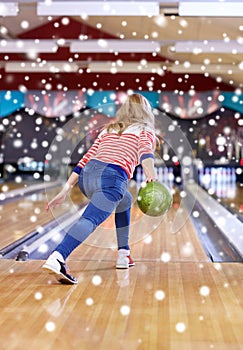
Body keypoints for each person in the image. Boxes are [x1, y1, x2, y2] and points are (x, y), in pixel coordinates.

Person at [43, 93, 157, 284]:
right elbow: (145, 152)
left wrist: (66, 189)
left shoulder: (109, 129)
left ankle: (123, 254)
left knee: (125, 200)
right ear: (146, 111)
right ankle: (58, 257)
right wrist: (151, 174)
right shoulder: (145, 130)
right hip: (111, 177)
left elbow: (87, 158)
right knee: (90, 219)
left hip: (87, 178)